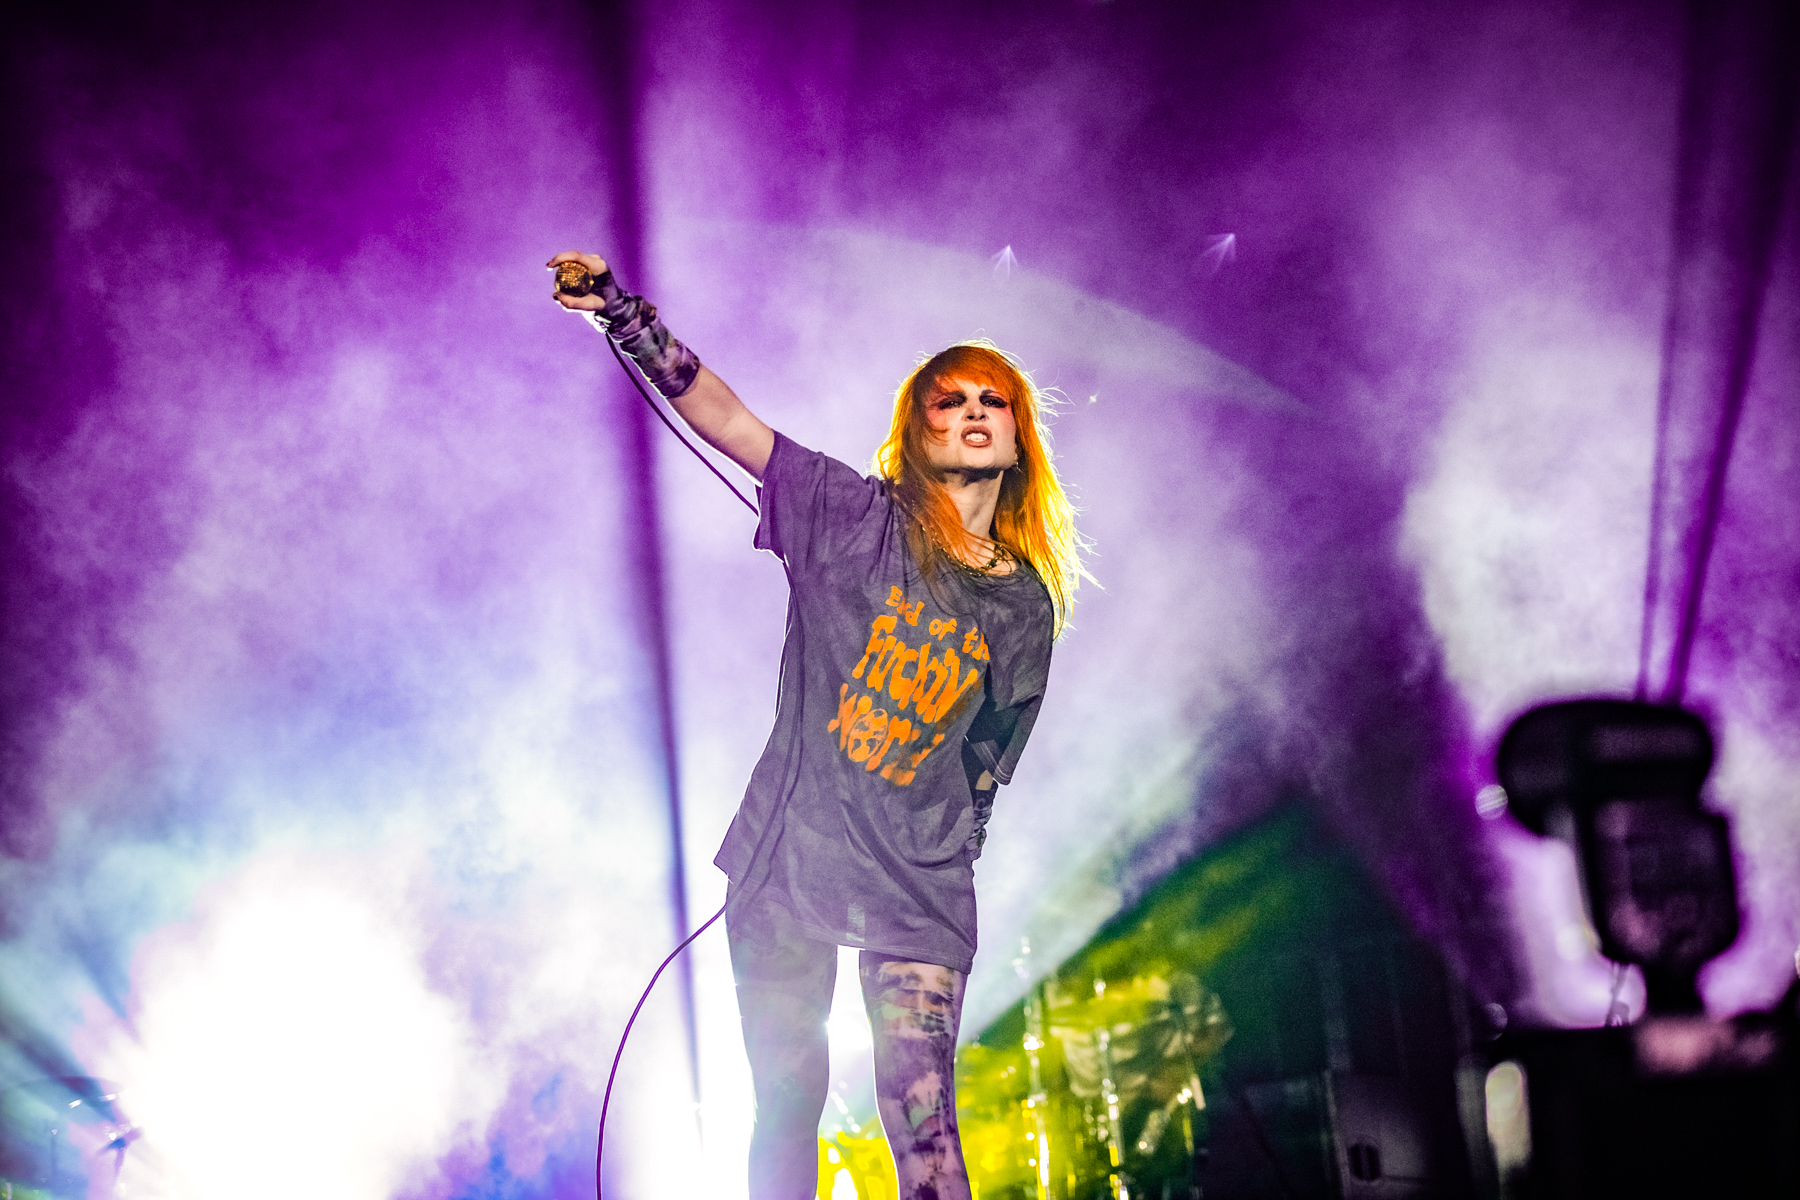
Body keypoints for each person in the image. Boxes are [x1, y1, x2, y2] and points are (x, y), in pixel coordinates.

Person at [549, 251, 1087, 1200]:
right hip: (790, 858)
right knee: (786, 1106)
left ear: (1017, 439)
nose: (972, 411)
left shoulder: (1022, 604)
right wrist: (620, 315)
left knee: (924, 1123)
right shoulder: (846, 514)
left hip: (917, 881)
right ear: (917, 430)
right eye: (949, 399)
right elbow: (727, 418)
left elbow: (991, 756)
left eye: (992, 401)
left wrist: (948, 841)